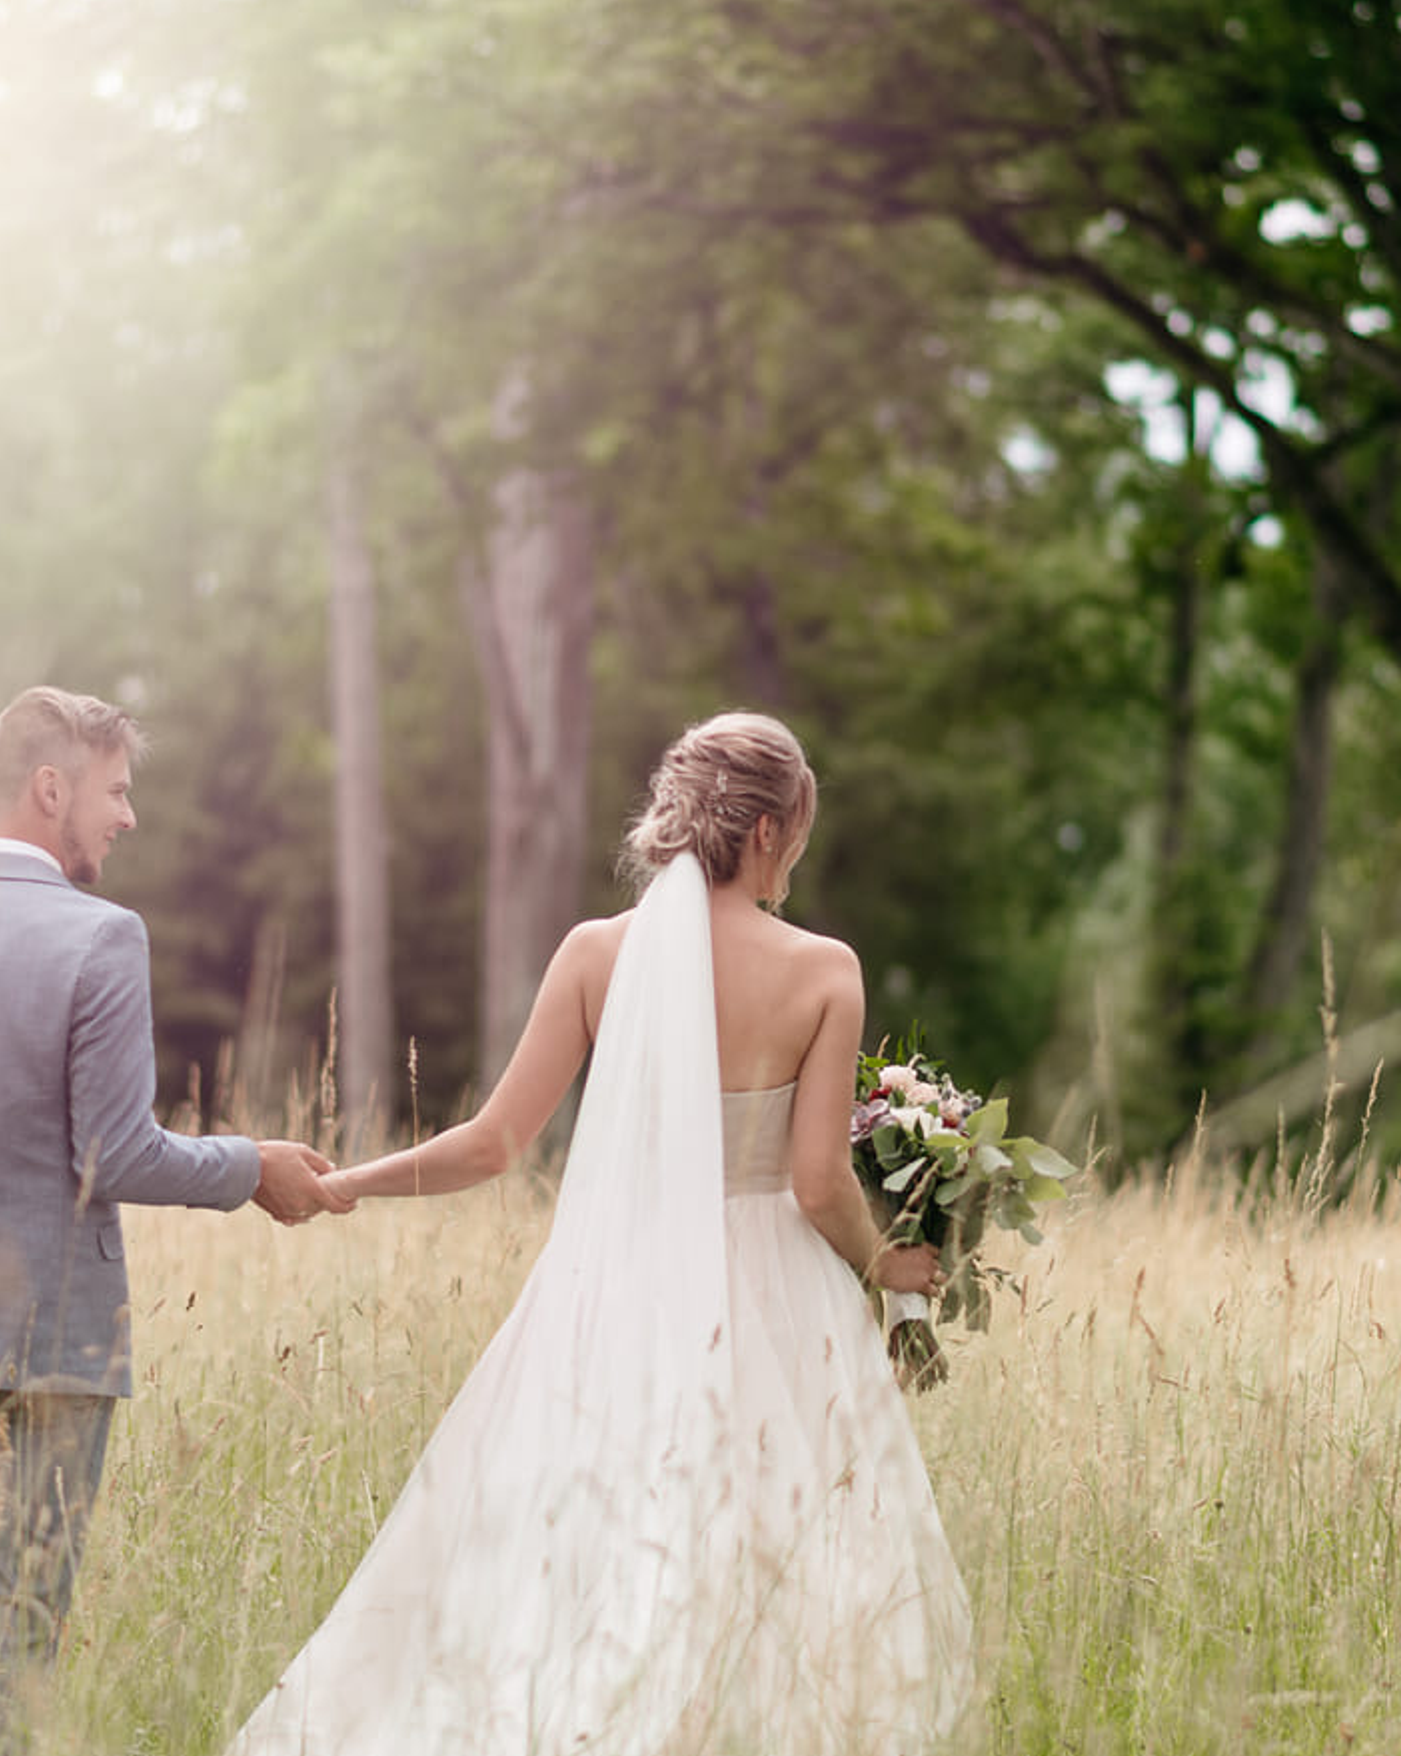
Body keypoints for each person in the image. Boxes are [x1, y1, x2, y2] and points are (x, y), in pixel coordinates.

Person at [227, 712, 973, 1756]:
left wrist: (347, 1182)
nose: (797, 854)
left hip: (619, 1293)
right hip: (776, 1299)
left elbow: (493, 1143)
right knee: (785, 1553)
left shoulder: (593, 954)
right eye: (799, 831)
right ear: (765, 830)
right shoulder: (823, 971)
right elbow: (815, 1180)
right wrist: (886, 1261)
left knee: (601, 1538)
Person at [0, 685, 352, 1741]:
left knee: (2, 1584)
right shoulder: (102, 937)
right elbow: (117, 1151)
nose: (128, 816)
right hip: (49, 1346)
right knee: (14, 1616)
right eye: (113, 792)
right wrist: (253, 1165)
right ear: (49, 788)